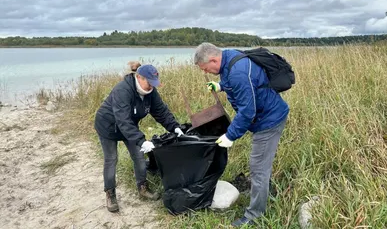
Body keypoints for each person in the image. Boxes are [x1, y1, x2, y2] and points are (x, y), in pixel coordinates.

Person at [194, 43, 289, 227]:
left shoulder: (238, 72)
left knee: (257, 167)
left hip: (269, 121)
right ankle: (264, 192)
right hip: (264, 116)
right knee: (261, 164)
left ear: (213, 59)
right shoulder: (229, 57)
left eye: (206, 69)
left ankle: (255, 215)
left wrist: (230, 136)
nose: (206, 72)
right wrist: (220, 86)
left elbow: (247, 112)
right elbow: (238, 81)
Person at [94, 62, 184, 212]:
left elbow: (161, 112)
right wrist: (141, 140)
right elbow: (122, 120)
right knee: (111, 159)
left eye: (154, 84)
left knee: (139, 157)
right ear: (139, 77)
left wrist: (175, 127)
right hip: (108, 126)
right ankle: (110, 194)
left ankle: (142, 187)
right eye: (149, 83)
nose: (151, 87)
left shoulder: (150, 92)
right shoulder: (123, 90)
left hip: (128, 127)